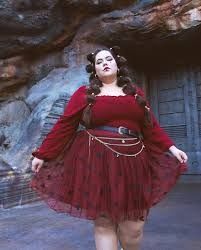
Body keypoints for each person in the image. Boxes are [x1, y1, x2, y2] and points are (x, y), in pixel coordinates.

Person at [30, 45, 188, 250]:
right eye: (99, 62)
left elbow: (151, 127)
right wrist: (43, 154)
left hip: (133, 160)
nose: (105, 63)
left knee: (134, 225)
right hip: (97, 160)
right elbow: (65, 125)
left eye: (109, 59)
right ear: (94, 70)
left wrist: (172, 147)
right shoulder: (84, 94)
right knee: (104, 221)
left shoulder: (135, 94)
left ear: (118, 64)